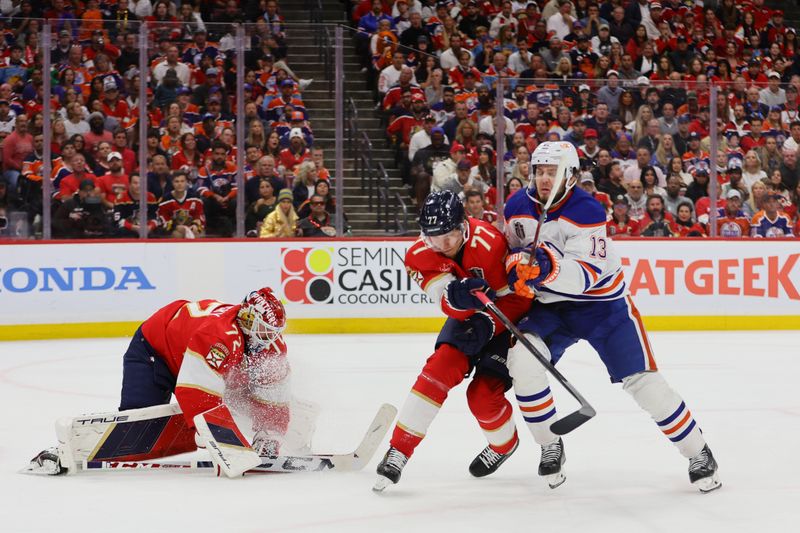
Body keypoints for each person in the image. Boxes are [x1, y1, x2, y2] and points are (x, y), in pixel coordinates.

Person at [503, 141, 721, 493]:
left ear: (571, 176)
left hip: (602, 307)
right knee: (523, 361)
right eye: (539, 171)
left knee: (642, 382)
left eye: (552, 172)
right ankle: (549, 444)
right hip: (549, 309)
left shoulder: (587, 210)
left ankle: (698, 451)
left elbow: (586, 275)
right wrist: (510, 271)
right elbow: (509, 254)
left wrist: (543, 267)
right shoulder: (515, 207)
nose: (544, 179)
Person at [29, 288, 293, 476]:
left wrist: (270, 433)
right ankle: (61, 451)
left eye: (272, 333)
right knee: (138, 429)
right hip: (154, 351)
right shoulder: (219, 335)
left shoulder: (268, 345)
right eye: (262, 330)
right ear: (246, 320)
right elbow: (196, 391)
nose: (267, 339)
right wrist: (215, 436)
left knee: (245, 394)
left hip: (188, 352)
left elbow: (274, 393)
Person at [374, 190, 531, 491]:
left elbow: (517, 300)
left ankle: (503, 445)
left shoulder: (490, 243)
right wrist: (454, 298)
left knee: (483, 396)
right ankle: (399, 450)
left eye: (448, 236)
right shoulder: (419, 254)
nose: (442, 246)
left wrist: (489, 321)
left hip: (507, 319)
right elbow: (443, 299)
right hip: (469, 316)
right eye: (434, 238)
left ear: (464, 225)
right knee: (437, 371)